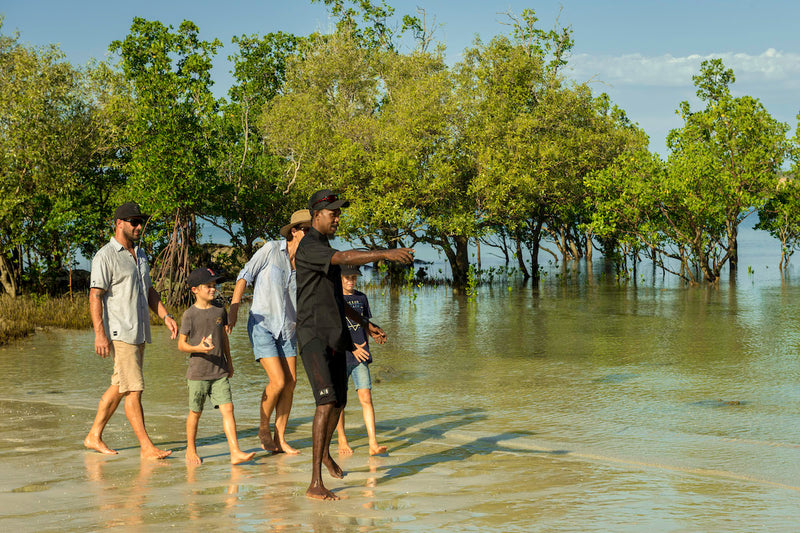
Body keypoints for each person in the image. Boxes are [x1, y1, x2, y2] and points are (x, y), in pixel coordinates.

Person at [295, 189, 414, 500]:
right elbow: (345, 258)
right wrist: (384, 254)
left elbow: (337, 298)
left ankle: (322, 453)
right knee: (324, 403)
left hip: (337, 335)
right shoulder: (310, 247)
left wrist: (366, 325)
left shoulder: (324, 246)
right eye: (332, 212)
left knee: (339, 403)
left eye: (338, 212)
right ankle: (315, 483)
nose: (337, 217)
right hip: (313, 336)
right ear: (315, 215)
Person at [84, 202, 178, 459]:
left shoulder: (141, 254)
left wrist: (165, 316)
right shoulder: (105, 255)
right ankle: (146, 447)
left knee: (120, 386)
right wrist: (99, 334)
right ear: (119, 223)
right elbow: (95, 296)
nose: (139, 226)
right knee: (134, 389)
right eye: (133, 222)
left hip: (139, 332)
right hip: (120, 332)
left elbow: (148, 291)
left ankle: (93, 435)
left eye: (140, 221)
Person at [227, 209, 312, 455]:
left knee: (291, 383)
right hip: (262, 324)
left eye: (311, 230)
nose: (309, 234)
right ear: (293, 231)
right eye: (305, 229)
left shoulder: (307, 261)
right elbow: (245, 275)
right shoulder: (271, 250)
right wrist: (233, 309)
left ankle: (281, 437)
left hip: (289, 328)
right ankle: (263, 429)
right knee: (278, 380)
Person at [178, 267, 256, 466]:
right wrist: (198, 348)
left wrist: (230, 363)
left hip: (219, 371)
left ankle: (235, 451)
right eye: (208, 286)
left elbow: (224, 339)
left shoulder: (220, 310)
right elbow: (181, 344)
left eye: (214, 285)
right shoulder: (189, 315)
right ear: (195, 290)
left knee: (228, 408)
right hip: (197, 374)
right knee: (195, 412)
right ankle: (190, 448)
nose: (213, 289)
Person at [335, 265, 388, 456]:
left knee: (366, 397)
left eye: (354, 278)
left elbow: (364, 324)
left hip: (362, 356)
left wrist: (374, 333)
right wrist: (353, 347)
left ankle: (373, 443)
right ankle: (342, 439)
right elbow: (335, 329)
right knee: (340, 402)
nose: (351, 281)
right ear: (339, 278)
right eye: (347, 277)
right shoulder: (335, 298)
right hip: (341, 355)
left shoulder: (361, 298)